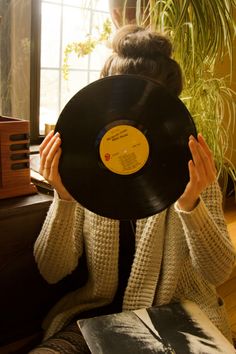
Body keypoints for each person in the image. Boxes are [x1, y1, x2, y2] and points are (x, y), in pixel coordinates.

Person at [29, 25, 236, 353]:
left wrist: (190, 204)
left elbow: (220, 270)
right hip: (98, 318)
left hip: (179, 320)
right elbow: (52, 271)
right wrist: (64, 198)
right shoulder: (88, 166)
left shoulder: (192, 165)